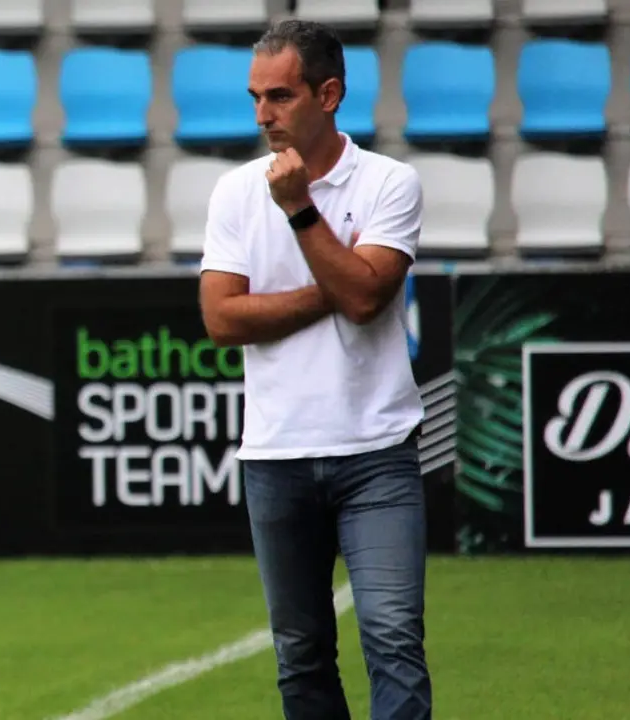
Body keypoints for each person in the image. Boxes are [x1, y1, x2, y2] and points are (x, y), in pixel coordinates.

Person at [199, 19, 432, 720]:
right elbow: (221, 320)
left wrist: (300, 209)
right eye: (255, 97)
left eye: (281, 96)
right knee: (300, 653)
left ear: (328, 94)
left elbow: (365, 300)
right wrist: (333, 280)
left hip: (376, 453)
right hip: (277, 453)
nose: (264, 114)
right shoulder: (235, 192)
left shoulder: (392, 183)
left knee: (393, 639)